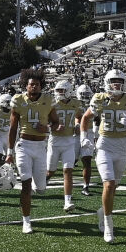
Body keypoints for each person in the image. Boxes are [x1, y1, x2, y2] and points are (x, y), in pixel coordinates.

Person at [82, 69, 126, 243]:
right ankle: (109, 226)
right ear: (107, 82)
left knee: (114, 187)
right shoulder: (100, 98)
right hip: (105, 145)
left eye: (119, 81)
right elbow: (86, 117)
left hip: (122, 147)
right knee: (108, 184)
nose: (116, 85)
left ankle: (102, 211)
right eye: (113, 81)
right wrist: (84, 138)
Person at [6, 69, 59, 233]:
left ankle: (38, 185)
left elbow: (57, 124)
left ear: (41, 85)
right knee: (26, 184)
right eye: (31, 84)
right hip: (24, 146)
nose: (34, 87)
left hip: (41, 146)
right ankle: (26, 221)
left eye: (36, 84)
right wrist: (9, 152)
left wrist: (47, 128)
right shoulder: (18, 100)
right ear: (26, 86)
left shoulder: (49, 100)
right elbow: (13, 128)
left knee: (41, 189)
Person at [47, 77, 84, 211]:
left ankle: (67, 201)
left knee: (68, 170)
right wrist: (52, 126)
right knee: (50, 171)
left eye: (62, 90)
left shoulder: (75, 103)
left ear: (69, 91)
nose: (59, 93)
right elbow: (44, 120)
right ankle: (43, 181)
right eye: (58, 90)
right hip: (55, 141)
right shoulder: (52, 103)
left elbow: (79, 116)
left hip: (69, 141)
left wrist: (77, 124)